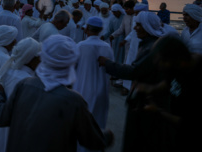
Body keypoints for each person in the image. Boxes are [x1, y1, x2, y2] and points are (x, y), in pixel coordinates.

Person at [0, 34, 114, 152]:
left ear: (43, 57)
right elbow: (93, 140)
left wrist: (0, 94)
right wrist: (107, 135)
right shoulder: (73, 101)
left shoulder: (24, 85)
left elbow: (0, 118)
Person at [98, 11, 166, 152]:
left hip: (145, 102)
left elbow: (133, 72)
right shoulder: (149, 44)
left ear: (147, 27)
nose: (135, 28)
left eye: (139, 25)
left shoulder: (151, 48)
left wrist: (108, 64)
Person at [131, 36, 202, 152]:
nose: (160, 66)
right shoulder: (176, 66)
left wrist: (158, 111)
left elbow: (185, 122)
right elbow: (169, 83)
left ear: (177, 60)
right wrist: (150, 88)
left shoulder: (196, 80)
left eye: (163, 62)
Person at [73, 17, 114, 152]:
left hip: (83, 88)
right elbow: (111, 69)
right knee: (98, 121)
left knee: (82, 124)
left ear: (86, 29)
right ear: (101, 30)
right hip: (102, 90)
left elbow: (73, 67)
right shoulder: (107, 47)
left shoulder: (80, 46)